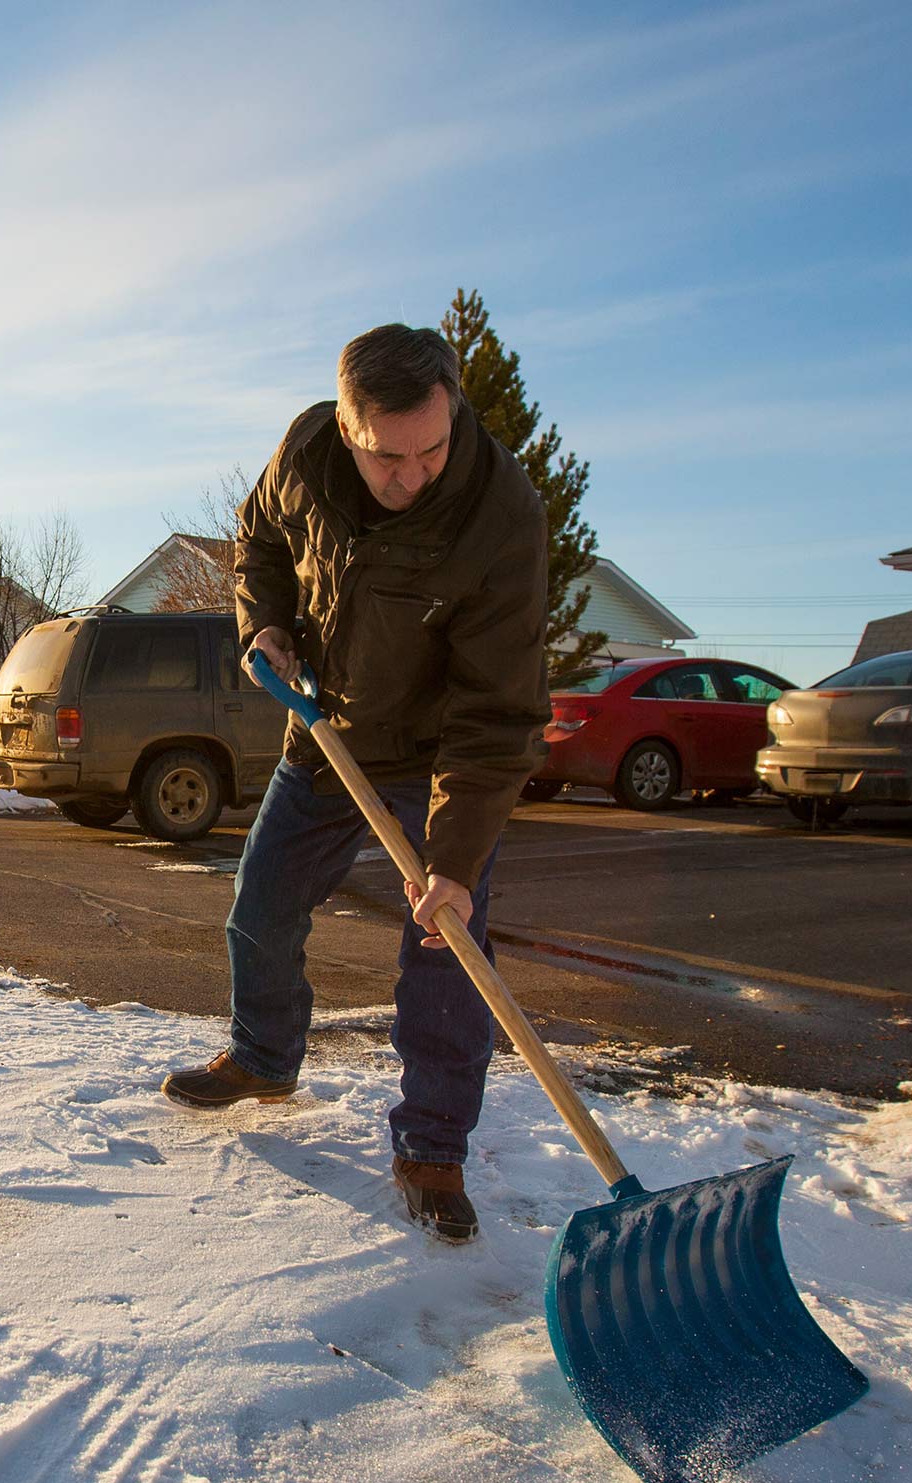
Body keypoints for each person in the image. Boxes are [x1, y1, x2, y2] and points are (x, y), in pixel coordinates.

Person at [160, 323, 551, 1244]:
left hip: (436, 757)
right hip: (327, 733)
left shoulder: (501, 514)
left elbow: (497, 712)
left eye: (433, 448)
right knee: (259, 909)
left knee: (446, 947)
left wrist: (452, 861)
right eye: (388, 457)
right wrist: (266, 626)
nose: (414, 476)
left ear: (453, 410)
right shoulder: (302, 450)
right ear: (345, 425)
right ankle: (264, 1059)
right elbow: (257, 540)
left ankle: (433, 1146)